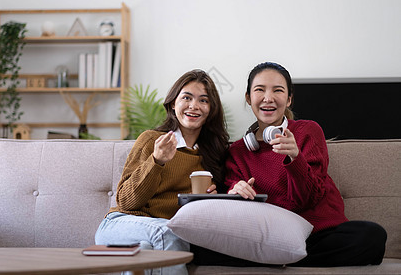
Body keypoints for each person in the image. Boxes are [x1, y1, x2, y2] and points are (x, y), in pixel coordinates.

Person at [221, 61, 386, 267]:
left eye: (278, 91)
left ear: (289, 99)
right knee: (202, 249)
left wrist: (294, 158)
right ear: (248, 98)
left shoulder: (308, 131)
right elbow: (232, 207)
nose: (268, 98)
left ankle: (277, 259)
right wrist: (236, 192)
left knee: (371, 236)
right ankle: (279, 256)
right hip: (272, 236)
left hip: (318, 235)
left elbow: (308, 199)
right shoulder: (237, 151)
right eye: (259, 90)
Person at [94, 69, 230, 275]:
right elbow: (126, 202)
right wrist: (156, 161)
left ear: (211, 110)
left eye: (204, 100)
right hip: (121, 225)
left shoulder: (213, 155)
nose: (194, 106)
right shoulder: (151, 140)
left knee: (146, 255)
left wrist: (208, 201)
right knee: (168, 233)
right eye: (187, 97)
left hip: (160, 235)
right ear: (173, 103)